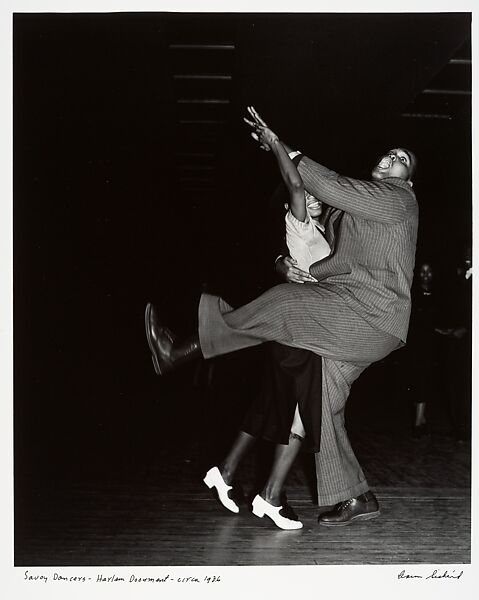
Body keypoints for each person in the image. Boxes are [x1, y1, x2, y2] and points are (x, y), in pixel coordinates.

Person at [145, 106, 418, 525]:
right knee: (320, 404)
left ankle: (181, 350)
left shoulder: (397, 201)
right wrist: (280, 258)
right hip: (351, 319)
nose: (392, 157)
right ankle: (355, 495)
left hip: (371, 314)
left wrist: (277, 143)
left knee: (287, 302)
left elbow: (329, 185)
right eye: (390, 153)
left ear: (409, 180)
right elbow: (314, 219)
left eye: (402, 160)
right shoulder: (351, 214)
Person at [204, 124, 331, 530]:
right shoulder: (302, 226)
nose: (309, 198)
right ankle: (271, 497)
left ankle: (225, 473)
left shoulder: (325, 235)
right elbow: (295, 182)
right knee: (300, 416)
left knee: (268, 408)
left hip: (295, 329)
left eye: (316, 197)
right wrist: (276, 144)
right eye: (304, 197)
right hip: (300, 330)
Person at [402, 261, 440, 438]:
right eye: (422, 271)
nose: (425, 275)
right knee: (418, 381)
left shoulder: (439, 294)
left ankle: (421, 418)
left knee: (427, 381)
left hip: (433, 346)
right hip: (416, 345)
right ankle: (418, 423)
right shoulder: (412, 294)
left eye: (429, 271)